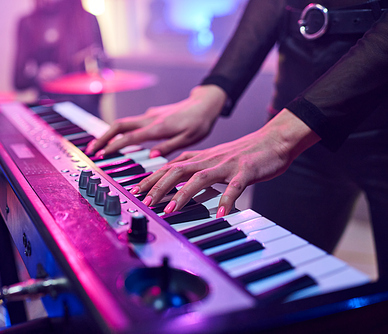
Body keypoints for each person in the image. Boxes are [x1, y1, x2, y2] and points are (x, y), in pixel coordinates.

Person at [87, 1, 388, 277]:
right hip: (296, 118)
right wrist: (216, 88)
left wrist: (285, 133)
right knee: (271, 284)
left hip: (345, 123)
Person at [13, 0, 108, 116]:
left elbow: (105, 70)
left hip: (86, 110)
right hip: (49, 109)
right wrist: (37, 76)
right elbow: (18, 81)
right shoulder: (28, 23)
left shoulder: (87, 19)